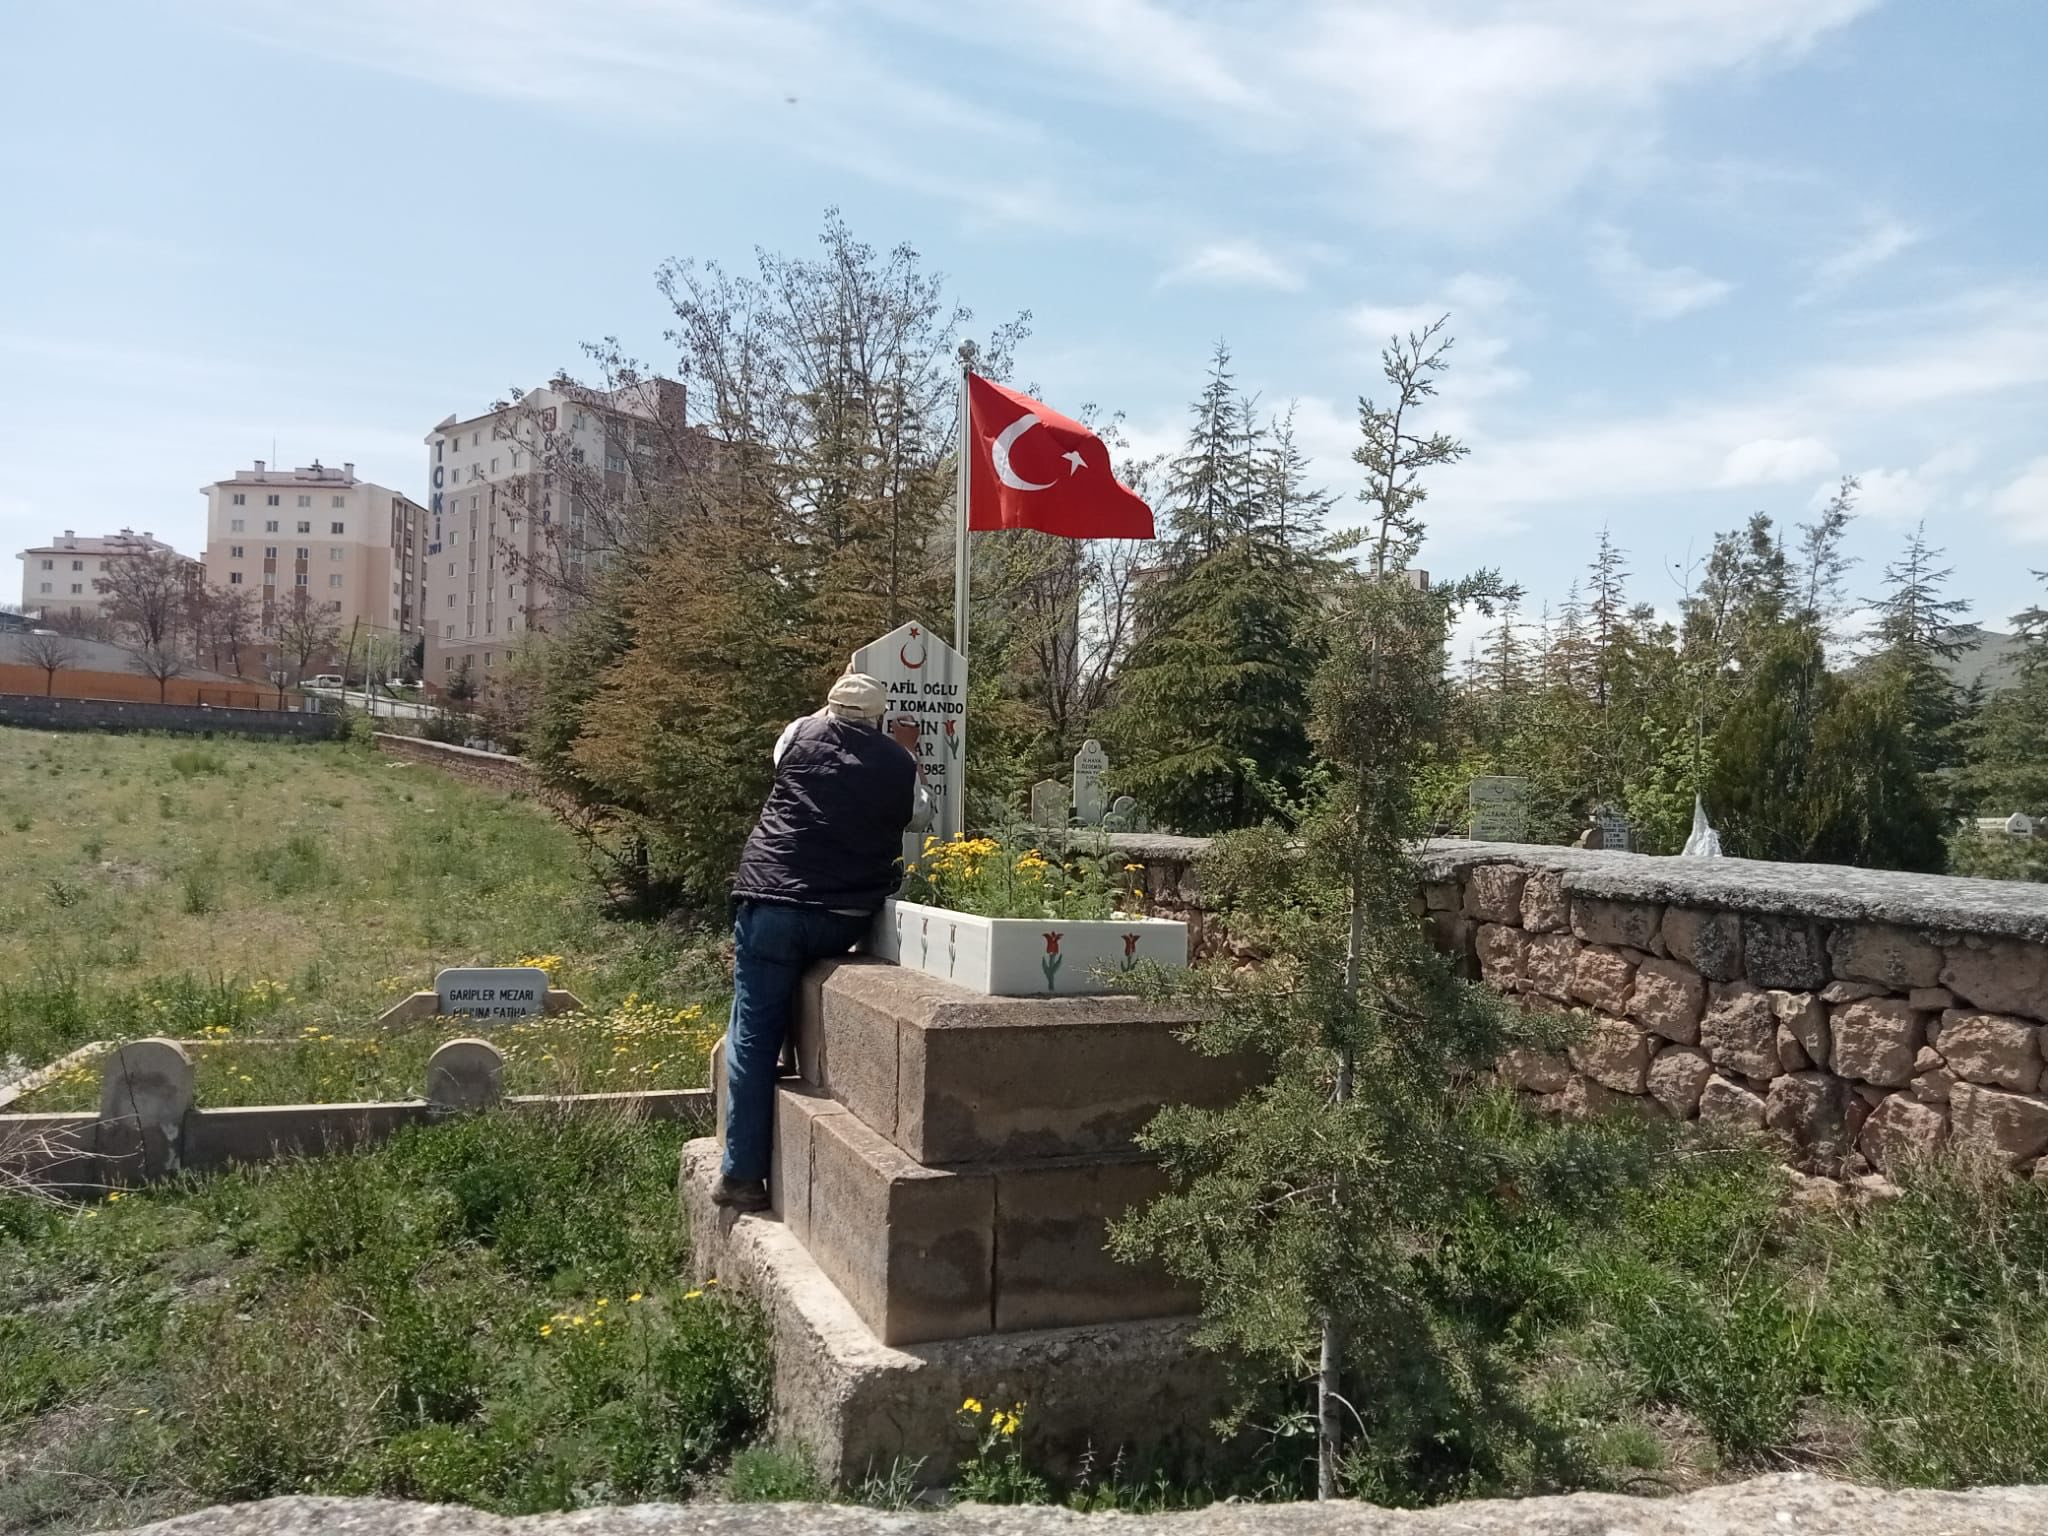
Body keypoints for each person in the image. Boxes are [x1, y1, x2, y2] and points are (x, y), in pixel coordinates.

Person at [715, 672, 926, 1212]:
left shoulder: (800, 731)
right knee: (790, 975)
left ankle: (741, 1175)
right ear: (879, 716)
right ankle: (785, 1053)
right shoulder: (899, 761)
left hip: (775, 901)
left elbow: (783, 768)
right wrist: (900, 755)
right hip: (846, 914)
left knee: (750, 1034)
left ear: (830, 706)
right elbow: (913, 809)